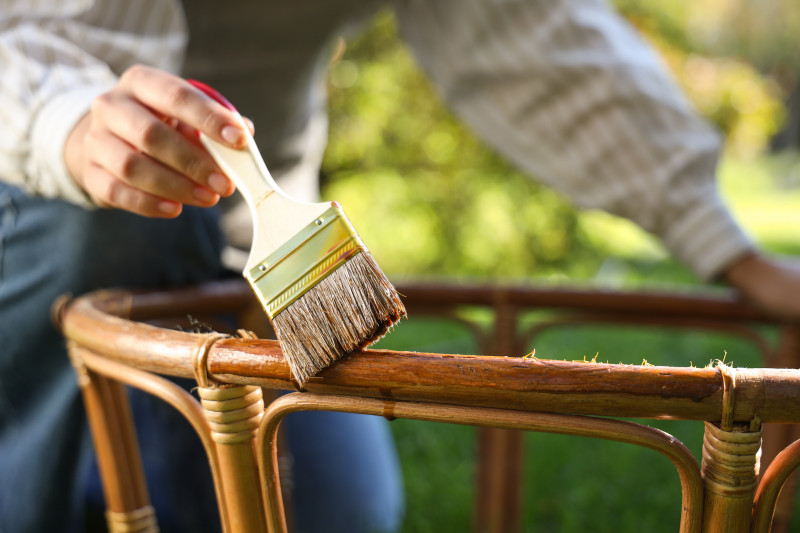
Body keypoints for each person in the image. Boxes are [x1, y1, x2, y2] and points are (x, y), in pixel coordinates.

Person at [2, 0, 799, 532]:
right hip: (38, 198)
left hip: (259, 232)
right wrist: (65, 124)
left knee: (340, 510)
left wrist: (726, 246)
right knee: (109, 239)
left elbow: (530, 31)